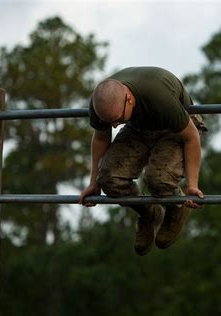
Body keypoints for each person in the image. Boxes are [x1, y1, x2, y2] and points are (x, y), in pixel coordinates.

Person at [79, 66, 207, 256]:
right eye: (110, 122)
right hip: (139, 125)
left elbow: (191, 137)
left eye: (117, 119)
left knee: (158, 179)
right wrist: (93, 183)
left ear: (129, 99)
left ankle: (176, 210)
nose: (115, 125)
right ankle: (148, 214)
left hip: (176, 125)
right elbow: (100, 138)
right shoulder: (102, 103)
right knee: (109, 180)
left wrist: (192, 186)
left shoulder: (159, 98)